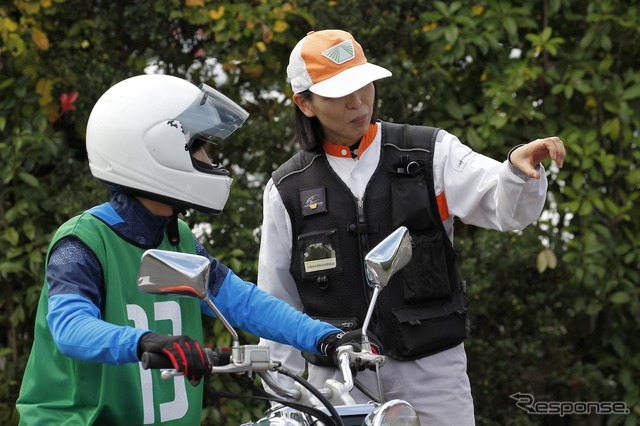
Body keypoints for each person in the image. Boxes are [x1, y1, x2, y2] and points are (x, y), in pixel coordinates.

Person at [15, 74, 371, 425]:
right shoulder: (82, 241)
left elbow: (240, 300)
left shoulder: (176, 237)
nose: (207, 158)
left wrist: (324, 336)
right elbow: (70, 327)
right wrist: (146, 342)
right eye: (197, 146)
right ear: (153, 150)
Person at [257, 29, 566, 425]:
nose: (358, 102)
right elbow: (276, 303)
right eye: (338, 93)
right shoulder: (287, 187)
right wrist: (282, 403)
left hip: (432, 373)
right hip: (337, 383)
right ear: (305, 103)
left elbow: (504, 206)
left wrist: (519, 172)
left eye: (363, 84)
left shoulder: (428, 152)